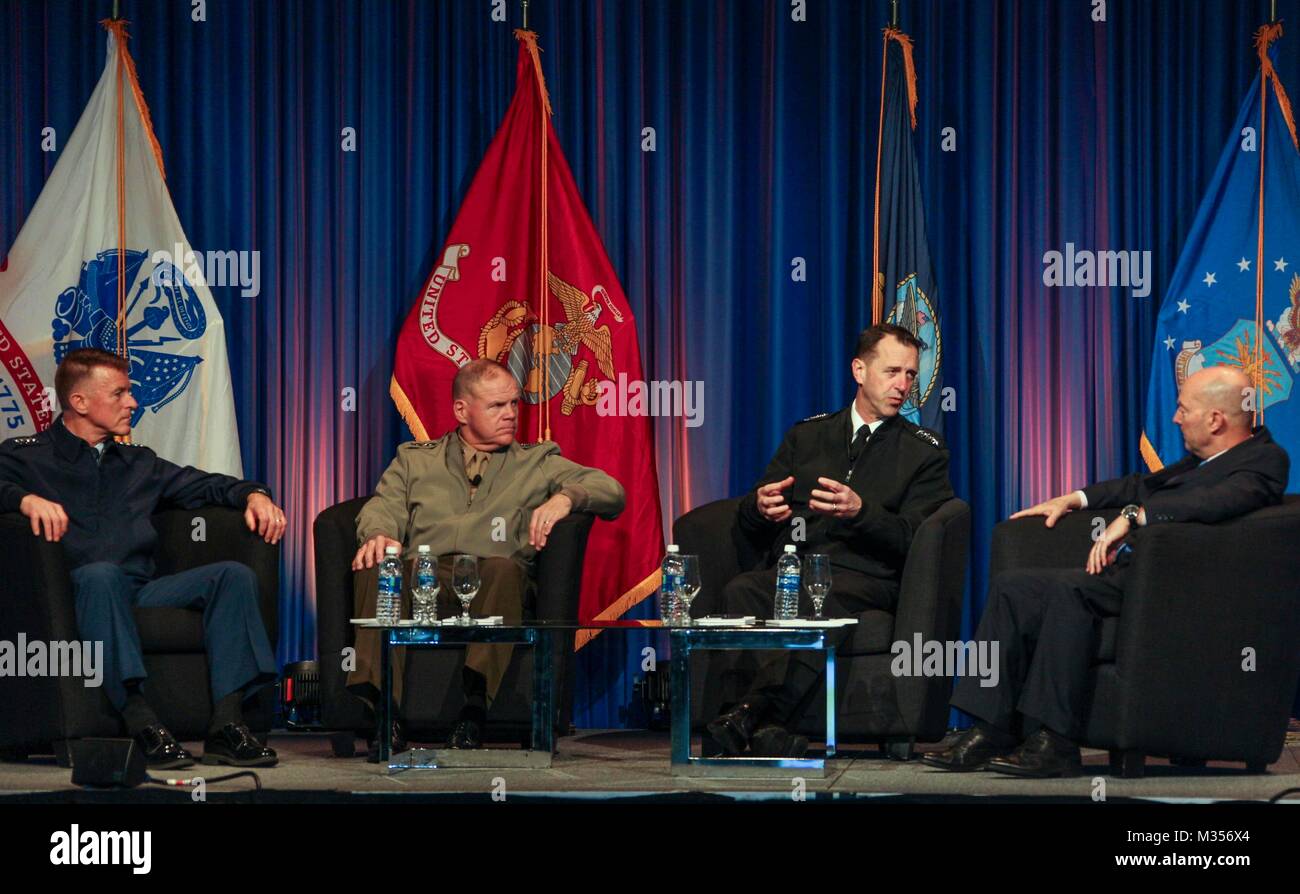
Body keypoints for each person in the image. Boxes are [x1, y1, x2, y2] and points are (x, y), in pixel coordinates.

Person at [924, 365, 1290, 778]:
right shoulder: (1200, 462)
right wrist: (1073, 499)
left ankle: (1056, 741)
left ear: (1216, 420)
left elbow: (1216, 504)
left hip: (1181, 593)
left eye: (1183, 409)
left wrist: (1136, 517)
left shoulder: (1264, 461)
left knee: (1072, 590)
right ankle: (991, 727)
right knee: (1014, 587)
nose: (1175, 417)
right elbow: (1137, 486)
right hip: (1140, 580)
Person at [0, 348, 284, 768]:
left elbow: (206, 486)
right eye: (120, 393)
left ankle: (227, 724)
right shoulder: (28, 455)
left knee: (232, 575)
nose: (133, 402)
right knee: (100, 576)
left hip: (139, 589)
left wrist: (254, 493)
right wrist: (23, 499)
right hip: (71, 593)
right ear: (79, 402)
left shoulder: (139, 462)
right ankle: (141, 721)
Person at [349, 358, 625, 753]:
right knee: (376, 566)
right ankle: (384, 716)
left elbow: (611, 490)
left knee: (501, 569)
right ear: (462, 410)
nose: (511, 414)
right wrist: (378, 533)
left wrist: (567, 497)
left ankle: (474, 710)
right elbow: (382, 504)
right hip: (423, 576)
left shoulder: (537, 461)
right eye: (497, 406)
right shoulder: (415, 458)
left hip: (493, 581)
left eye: (514, 404)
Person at [704, 323, 955, 758]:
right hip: (797, 566)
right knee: (742, 589)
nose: (903, 385)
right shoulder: (808, 436)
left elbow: (916, 537)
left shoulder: (924, 453)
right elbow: (758, 504)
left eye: (911, 375)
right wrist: (759, 508)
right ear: (860, 370)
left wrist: (863, 513)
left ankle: (749, 713)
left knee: (815, 596)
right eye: (892, 371)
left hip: (867, 577)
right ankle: (765, 728)